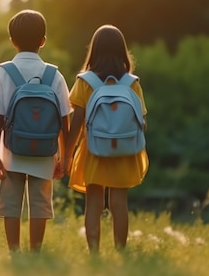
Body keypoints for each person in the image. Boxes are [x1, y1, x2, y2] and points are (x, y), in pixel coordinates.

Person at [0, 9, 71, 252]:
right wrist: (64, 156)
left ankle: (14, 251)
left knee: (11, 204)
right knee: (39, 203)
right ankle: (35, 251)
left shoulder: (3, 72)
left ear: (12, 41)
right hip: (45, 150)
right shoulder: (54, 75)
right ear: (43, 40)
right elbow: (64, 120)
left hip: (12, 150)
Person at [65, 24, 149, 255]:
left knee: (94, 203)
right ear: (122, 51)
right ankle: (121, 250)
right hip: (123, 152)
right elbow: (141, 121)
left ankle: (94, 253)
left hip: (94, 150)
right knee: (119, 204)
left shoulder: (85, 81)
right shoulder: (132, 83)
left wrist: (67, 153)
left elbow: (77, 123)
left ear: (94, 51)